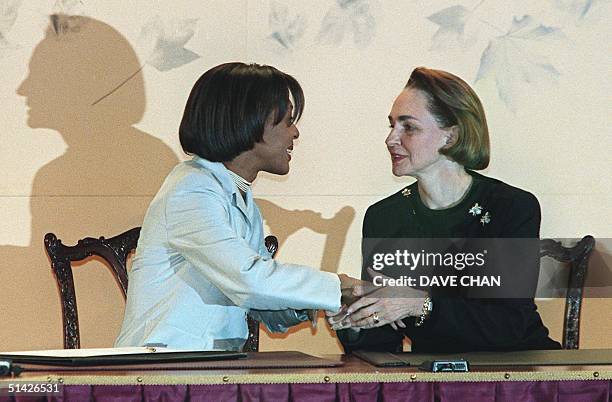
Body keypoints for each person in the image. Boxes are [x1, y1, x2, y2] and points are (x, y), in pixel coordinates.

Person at [115, 62, 357, 351]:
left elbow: (258, 302)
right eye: (288, 120)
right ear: (250, 120)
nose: (295, 133)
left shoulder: (239, 197)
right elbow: (249, 280)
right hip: (162, 373)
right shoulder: (191, 188)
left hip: (210, 369)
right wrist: (337, 285)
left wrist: (320, 303)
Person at [329, 67, 561, 353]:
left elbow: (507, 325)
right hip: (433, 379)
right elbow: (383, 343)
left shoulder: (511, 207)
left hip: (517, 375)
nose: (390, 139)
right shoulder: (384, 216)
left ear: (450, 137)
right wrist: (353, 319)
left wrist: (418, 303)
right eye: (391, 125)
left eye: (408, 127)